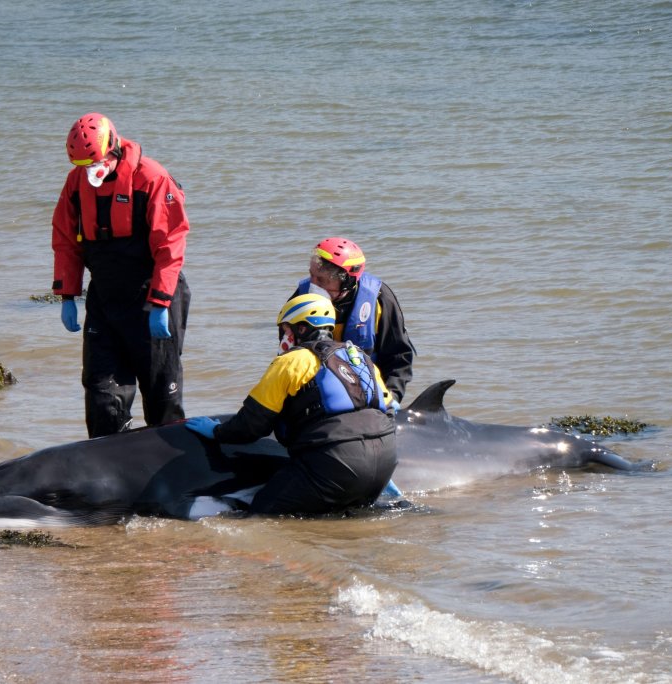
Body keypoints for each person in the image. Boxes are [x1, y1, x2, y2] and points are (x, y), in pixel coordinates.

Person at [184, 293, 397, 516]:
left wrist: (217, 431)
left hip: (334, 464)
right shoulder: (360, 358)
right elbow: (388, 411)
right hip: (384, 464)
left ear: (301, 329)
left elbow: (252, 424)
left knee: (262, 515)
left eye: (286, 329)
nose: (283, 336)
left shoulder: (291, 361)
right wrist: (375, 463)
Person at [52, 112, 190, 438]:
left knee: (161, 398)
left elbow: (171, 243)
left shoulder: (151, 178)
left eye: (94, 164)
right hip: (106, 297)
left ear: (112, 149)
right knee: (102, 395)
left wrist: (160, 303)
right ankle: (107, 468)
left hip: (153, 295)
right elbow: (65, 240)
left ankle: (170, 472)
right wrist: (68, 295)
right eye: (82, 166)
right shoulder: (77, 183)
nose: (90, 172)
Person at [291, 237, 414, 408]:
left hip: (368, 391)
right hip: (319, 392)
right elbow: (288, 357)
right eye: (311, 275)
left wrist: (391, 397)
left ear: (346, 282)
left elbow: (399, 357)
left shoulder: (379, 299)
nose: (313, 285)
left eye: (321, 280)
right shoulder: (301, 296)